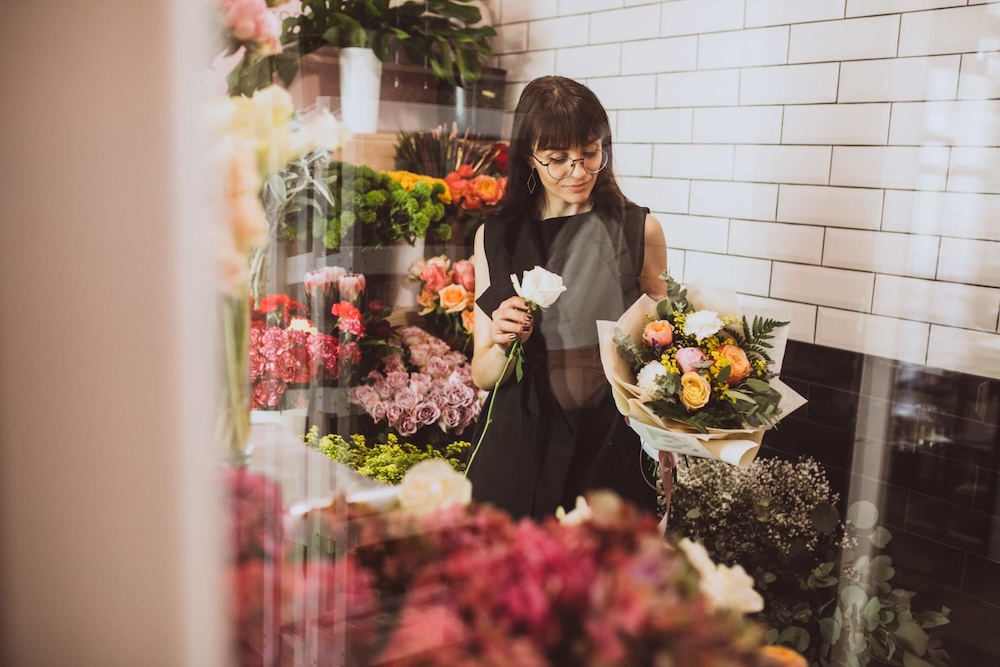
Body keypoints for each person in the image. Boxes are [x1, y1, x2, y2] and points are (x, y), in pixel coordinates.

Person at [467, 76, 669, 520]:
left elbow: (663, 348)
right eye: (558, 159)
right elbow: (483, 375)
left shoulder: (640, 231)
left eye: (590, 154)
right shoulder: (496, 237)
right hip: (518, 434)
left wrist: (668, 434)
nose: (578, 173)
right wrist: (502, 341)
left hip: (608, 435)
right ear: (529, 157)